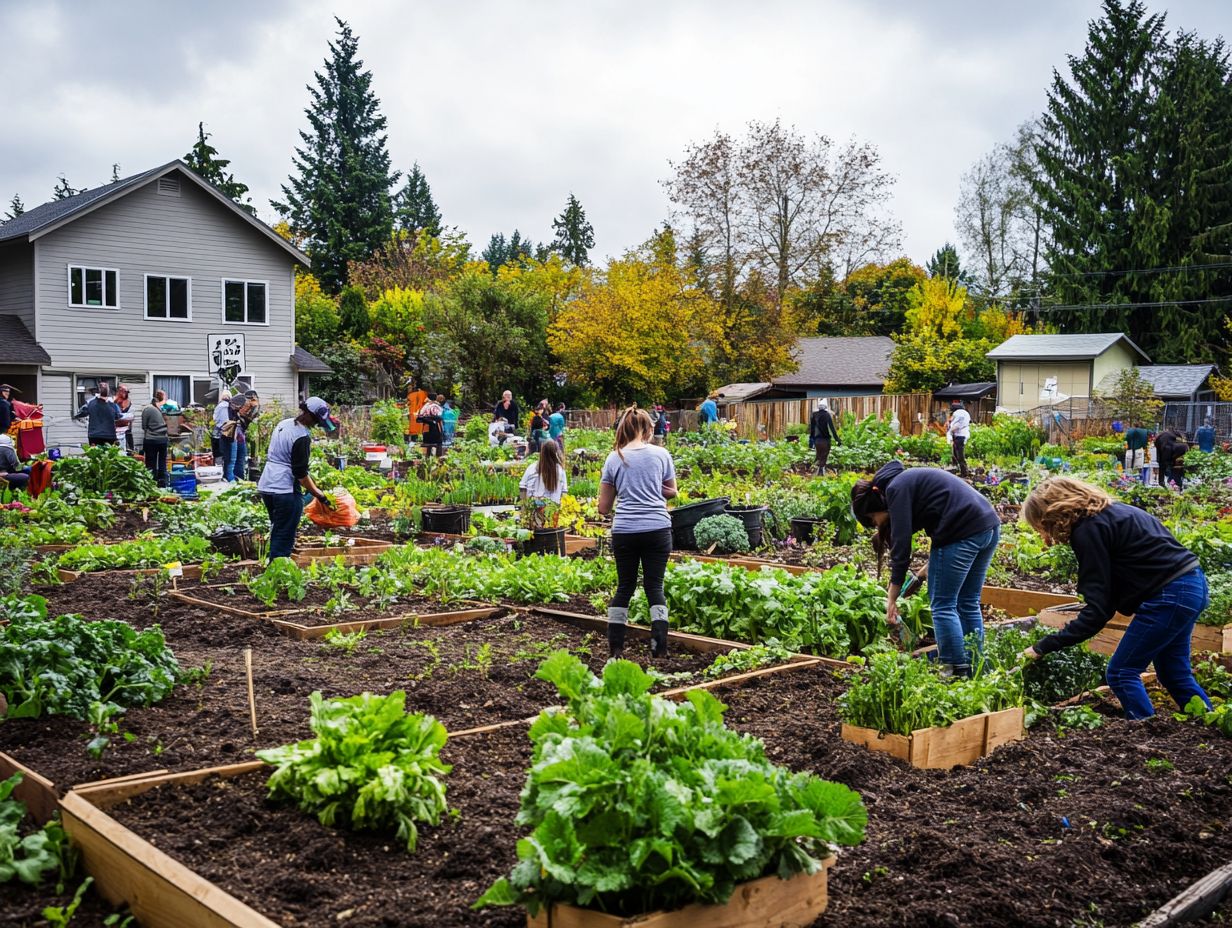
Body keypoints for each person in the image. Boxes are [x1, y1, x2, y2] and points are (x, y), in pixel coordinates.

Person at [1021, 477, 1211, 720]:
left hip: (1169, 595)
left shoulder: (1088, 530)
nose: (1045, 534)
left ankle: (1147, 738)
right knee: (1174, 672)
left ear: (1052, 515)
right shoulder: (1116, 512)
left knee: (1122, 672)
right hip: (1192, 585)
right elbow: (1107, 599)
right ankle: (1209, 727)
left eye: (1041, 526)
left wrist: (1042, 647)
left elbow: (1098, 610)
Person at [850, 460, 1000, 677]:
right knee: (967, 602)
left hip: (961, 530)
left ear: (874, 508)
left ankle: (953, 670)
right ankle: (975, 667)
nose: (877, 524)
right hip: (988, 526)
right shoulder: (908, 482)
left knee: (942, 604)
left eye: (873, 520)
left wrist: (891, 598)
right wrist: (922, 575)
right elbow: (938, 530)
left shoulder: (895, 489)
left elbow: (901, 549)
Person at [598, 407, 678, 660]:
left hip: (625, 530)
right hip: (657, 527)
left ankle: (616, 650)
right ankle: (659, 649)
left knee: (624, 587)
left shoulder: (614, 458)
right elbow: (672, 491)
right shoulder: (661, 455)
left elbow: (603, 508)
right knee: (655, 587)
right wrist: (653, 487)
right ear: (647, 429)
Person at [256, 397, 337, 561]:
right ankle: (277, 572)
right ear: (310, 415)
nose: (316, 424)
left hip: (267, 484)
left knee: (278, 527)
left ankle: (274, 568)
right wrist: (318, 494)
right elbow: (299, 472)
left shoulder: (283, 424)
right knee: (284, 534)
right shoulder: (302, 436)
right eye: (316, 420)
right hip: (284, 488)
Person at [520, 439, 568, 504]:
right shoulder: (560, 470)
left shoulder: (532, 468)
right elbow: (564, 492)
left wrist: (524, 508)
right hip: (554, 509)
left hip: (534, 508)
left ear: (542, 452)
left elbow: (523, 487)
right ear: (556, 452)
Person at [76, 383, 121, 447]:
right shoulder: (113, 405)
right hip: (109, 435)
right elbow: (118, 416)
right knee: (109, 455)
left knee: (95, 455)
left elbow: (81, 413)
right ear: (108, 391)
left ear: (98, 391)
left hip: (94, 435)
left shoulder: (90, 403)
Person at [141, 390, 170, 488]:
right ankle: (162, 483)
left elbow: (144, 426)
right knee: (162, 462)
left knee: (150, 463)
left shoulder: (147, 409)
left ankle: (151, 483)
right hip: (163, 440)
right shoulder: (164, 409)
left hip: (150, 440)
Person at [808, 400, 841, 475]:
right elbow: (832, 429)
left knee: (819, 455)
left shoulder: (814, 415)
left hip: (817, 440)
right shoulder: (827, 415)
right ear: (825, 407)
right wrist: (837, 440)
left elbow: (812, 430)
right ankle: (821, 470)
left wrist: (811, 441)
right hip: (826, 440)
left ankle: (818, 470)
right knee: (824, 455)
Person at [946, 400, 972, 478]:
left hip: (959, 436)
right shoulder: (965, 413)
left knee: (959, 455)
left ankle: (964, 473)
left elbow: (955, 426)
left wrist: (950, 430)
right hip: (962, 435)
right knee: (956, 454)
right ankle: (959, 470)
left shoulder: (958, 413)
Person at [418, 394, 446, 458]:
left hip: (426, 428)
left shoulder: (426, 406)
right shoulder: (437, 406)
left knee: (427, 445)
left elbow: (420, 416)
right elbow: (439, 416)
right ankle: (437, 460)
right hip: (435, 428)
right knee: (437, 445)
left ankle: (426, 460)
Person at [114, 385, 134, 453]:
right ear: (119, 391)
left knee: (129, 451)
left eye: (127, 392)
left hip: (127, 431)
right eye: (124, 392)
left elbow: (131, 416)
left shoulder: (128, 402)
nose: (126, 394)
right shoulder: (113, 402)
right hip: (115, 431)